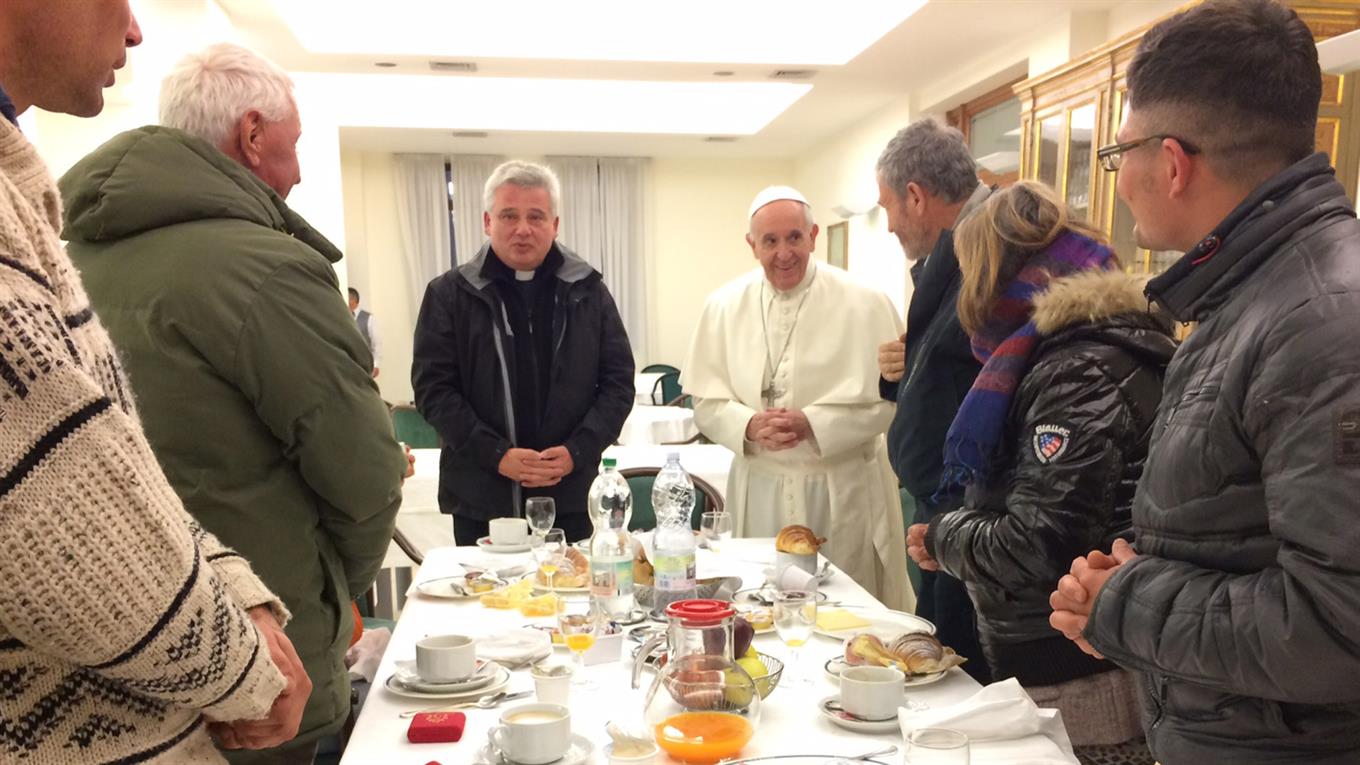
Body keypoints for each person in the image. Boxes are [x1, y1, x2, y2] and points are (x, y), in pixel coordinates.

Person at [58, 43, 408, 764]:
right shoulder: (266, 270)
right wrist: (338, 595)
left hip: (108, 651)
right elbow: (363, 473)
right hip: (259, 656)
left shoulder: (66, 256)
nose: (302, 169)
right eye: (295, 144)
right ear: (252, 135)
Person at [1048, 1, 1360, 762]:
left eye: (1119, 159)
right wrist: (1133, 577)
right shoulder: (1251, 297)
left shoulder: (1318, 322)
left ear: (1173, 161)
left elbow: (1337, 624)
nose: (1120, 185)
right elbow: (1243, 533)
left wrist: (1120, 603)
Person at [0, 6, 310, 765]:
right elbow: (61, 531)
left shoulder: (43, 204)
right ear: (252, 136)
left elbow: (115, 464)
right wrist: (253, 664)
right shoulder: (273, 268)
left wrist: (241, 595)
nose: (135, 30)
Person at [906, 181, 1173, 761]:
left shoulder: (1075, 371)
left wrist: (945, 534)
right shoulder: (1075, 353)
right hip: (1077, 651)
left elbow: (1039, 542)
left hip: (1078, 670)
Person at [684, 186, 910, 609]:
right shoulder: (722, 305)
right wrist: (747, 424)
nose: (783, 252)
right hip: (760, 487)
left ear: (814, 236)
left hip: (838, 488)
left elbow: (889, 402)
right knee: (761, 604)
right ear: (752, 245)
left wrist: (814, 423)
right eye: (770, 241)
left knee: (843, 610)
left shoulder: (865, 302)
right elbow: (707, 405)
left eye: (794, 238)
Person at [412, 160, 634, 545]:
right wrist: (497, 454)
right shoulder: (450, 294)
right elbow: (434, 391)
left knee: (570, 601)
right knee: (486, 604)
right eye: (508, 215)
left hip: (570, 493)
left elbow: (617, 385)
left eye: (536, 216)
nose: (522, 229)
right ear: (487, 221)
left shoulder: (588, 292)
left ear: (555, 224)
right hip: (481, 496)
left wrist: (577, 451)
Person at [874, 118, 993, 683]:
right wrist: (908, 369)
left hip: (976, 521)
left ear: (915, 197)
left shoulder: (995, 254)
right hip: (947, 517)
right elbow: (956, 367)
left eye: (888, 207)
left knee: (965, 691)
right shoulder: (957, 255)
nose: (891, 224)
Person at [348, 287, 380, 378]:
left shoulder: (369, 318)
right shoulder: (344, 317)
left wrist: (376, 364)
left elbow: (376, 343)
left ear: (352, 299)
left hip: (365, 366)